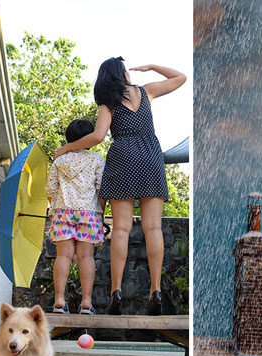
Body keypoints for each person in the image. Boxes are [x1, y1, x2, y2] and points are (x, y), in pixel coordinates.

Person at [54, 57, 186, 315]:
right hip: (150, 155)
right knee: (153, 227)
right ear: (120, 73)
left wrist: (66, 148)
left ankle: (116, 291)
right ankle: (155, 290)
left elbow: (98, 136)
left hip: (123, 156)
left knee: (122, 229)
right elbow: (179, 78)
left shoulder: (109, 102)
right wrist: (152, 66)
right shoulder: (146, 91)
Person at [46, 119, 106, 315]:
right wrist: (100, 213)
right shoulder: (97, 160)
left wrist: (56, 208)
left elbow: (50, 190)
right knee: (86, 257)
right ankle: (87, 303)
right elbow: (101, 190)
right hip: (89, 212)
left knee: (63, 256)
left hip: (63, 211)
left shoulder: (59, 160)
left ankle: (58, 301)